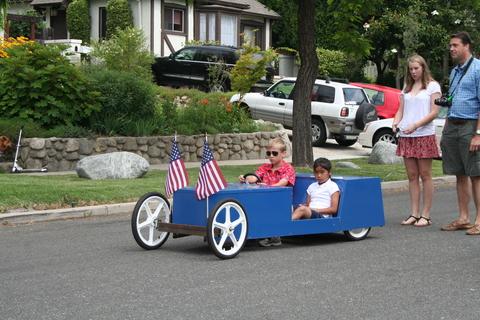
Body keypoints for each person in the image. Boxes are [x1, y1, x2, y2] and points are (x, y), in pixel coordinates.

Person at [393, 55, 441, 227]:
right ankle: (414, 213)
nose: (413, 72)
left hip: (424, 134)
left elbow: (434, 112)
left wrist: (416, 126)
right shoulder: (407, 86)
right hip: (407, 135)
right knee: (412, 176)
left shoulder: (433, 86)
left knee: (425, 175)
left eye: (416, 68)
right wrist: (395, 122)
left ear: (423, 68)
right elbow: (401, 109)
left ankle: (426, 215)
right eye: (411, 69)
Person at [440, 31, 480, 235]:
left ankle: (479, 220)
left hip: (470, 126)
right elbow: (452, 101)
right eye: (450, 46)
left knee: (476, 174)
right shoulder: (455, 71)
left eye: (455, 45)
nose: (451, 49)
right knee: (460, 174)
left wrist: (478, 134)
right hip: (453, 124)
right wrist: (445, 129)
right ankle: (464, 218)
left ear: (467, 46)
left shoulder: (478, 69)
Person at [238, 137, 295, 246]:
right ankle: (252, 233)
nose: (271, 156)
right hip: (264, 199)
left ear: (283, 153)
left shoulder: (288, 168)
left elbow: (283, 183)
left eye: (274, 153)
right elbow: (254, 178)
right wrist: (245, 178)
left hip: (281, 201)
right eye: (268, 153)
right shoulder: (265, 167)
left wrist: (268, 186)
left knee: (269, 206)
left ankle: (272, 235)